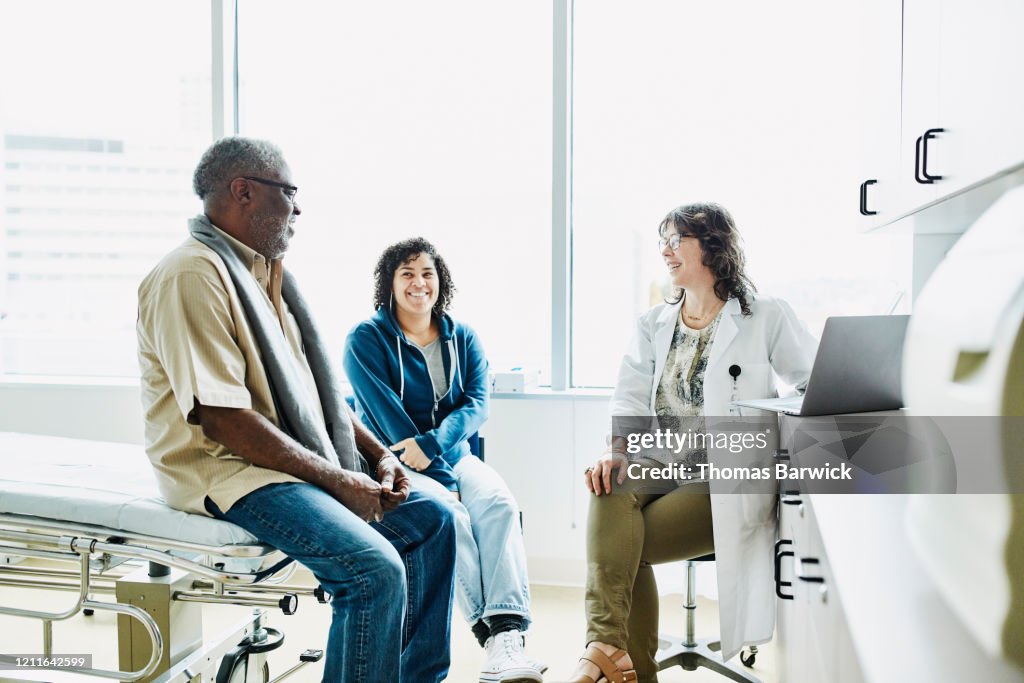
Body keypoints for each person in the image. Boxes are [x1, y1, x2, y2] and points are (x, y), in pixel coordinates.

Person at [136, 137, 456, 683]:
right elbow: (224, 419)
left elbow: (316, 396)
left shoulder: (270, 280)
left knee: (434, 520)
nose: (298, 208)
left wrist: (379, 458)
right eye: (289, 192)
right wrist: (337, 479)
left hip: (282, 461)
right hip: (231, 472)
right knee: (372, 571)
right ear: (243, 192)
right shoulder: (193, 275)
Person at [557, 203, 818, 683]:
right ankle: (607, 646)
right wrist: (615, 450)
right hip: (665, 459)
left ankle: (610, 657)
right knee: (608, 483)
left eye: (677, 240)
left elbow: (812, 386)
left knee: (621, 548)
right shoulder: (655, 322)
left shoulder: (764, 316)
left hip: (728, 475)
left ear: (713, 247)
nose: (665, 251)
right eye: (664, 241)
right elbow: (630, 395)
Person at [343, 238, 544, 683]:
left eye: (427, 274)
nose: (419, 283)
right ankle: (488, 632)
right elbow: (384, 418)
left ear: (441, 282)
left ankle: (508, 635)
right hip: (393, 464)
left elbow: (477, 404)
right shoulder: (365, 339)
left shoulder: (462, 335)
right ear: (390, 283)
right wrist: (434, 469)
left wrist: (436, 447)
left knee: (498, 505)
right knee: (449, 515)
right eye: (407, 274)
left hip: (454, 456)